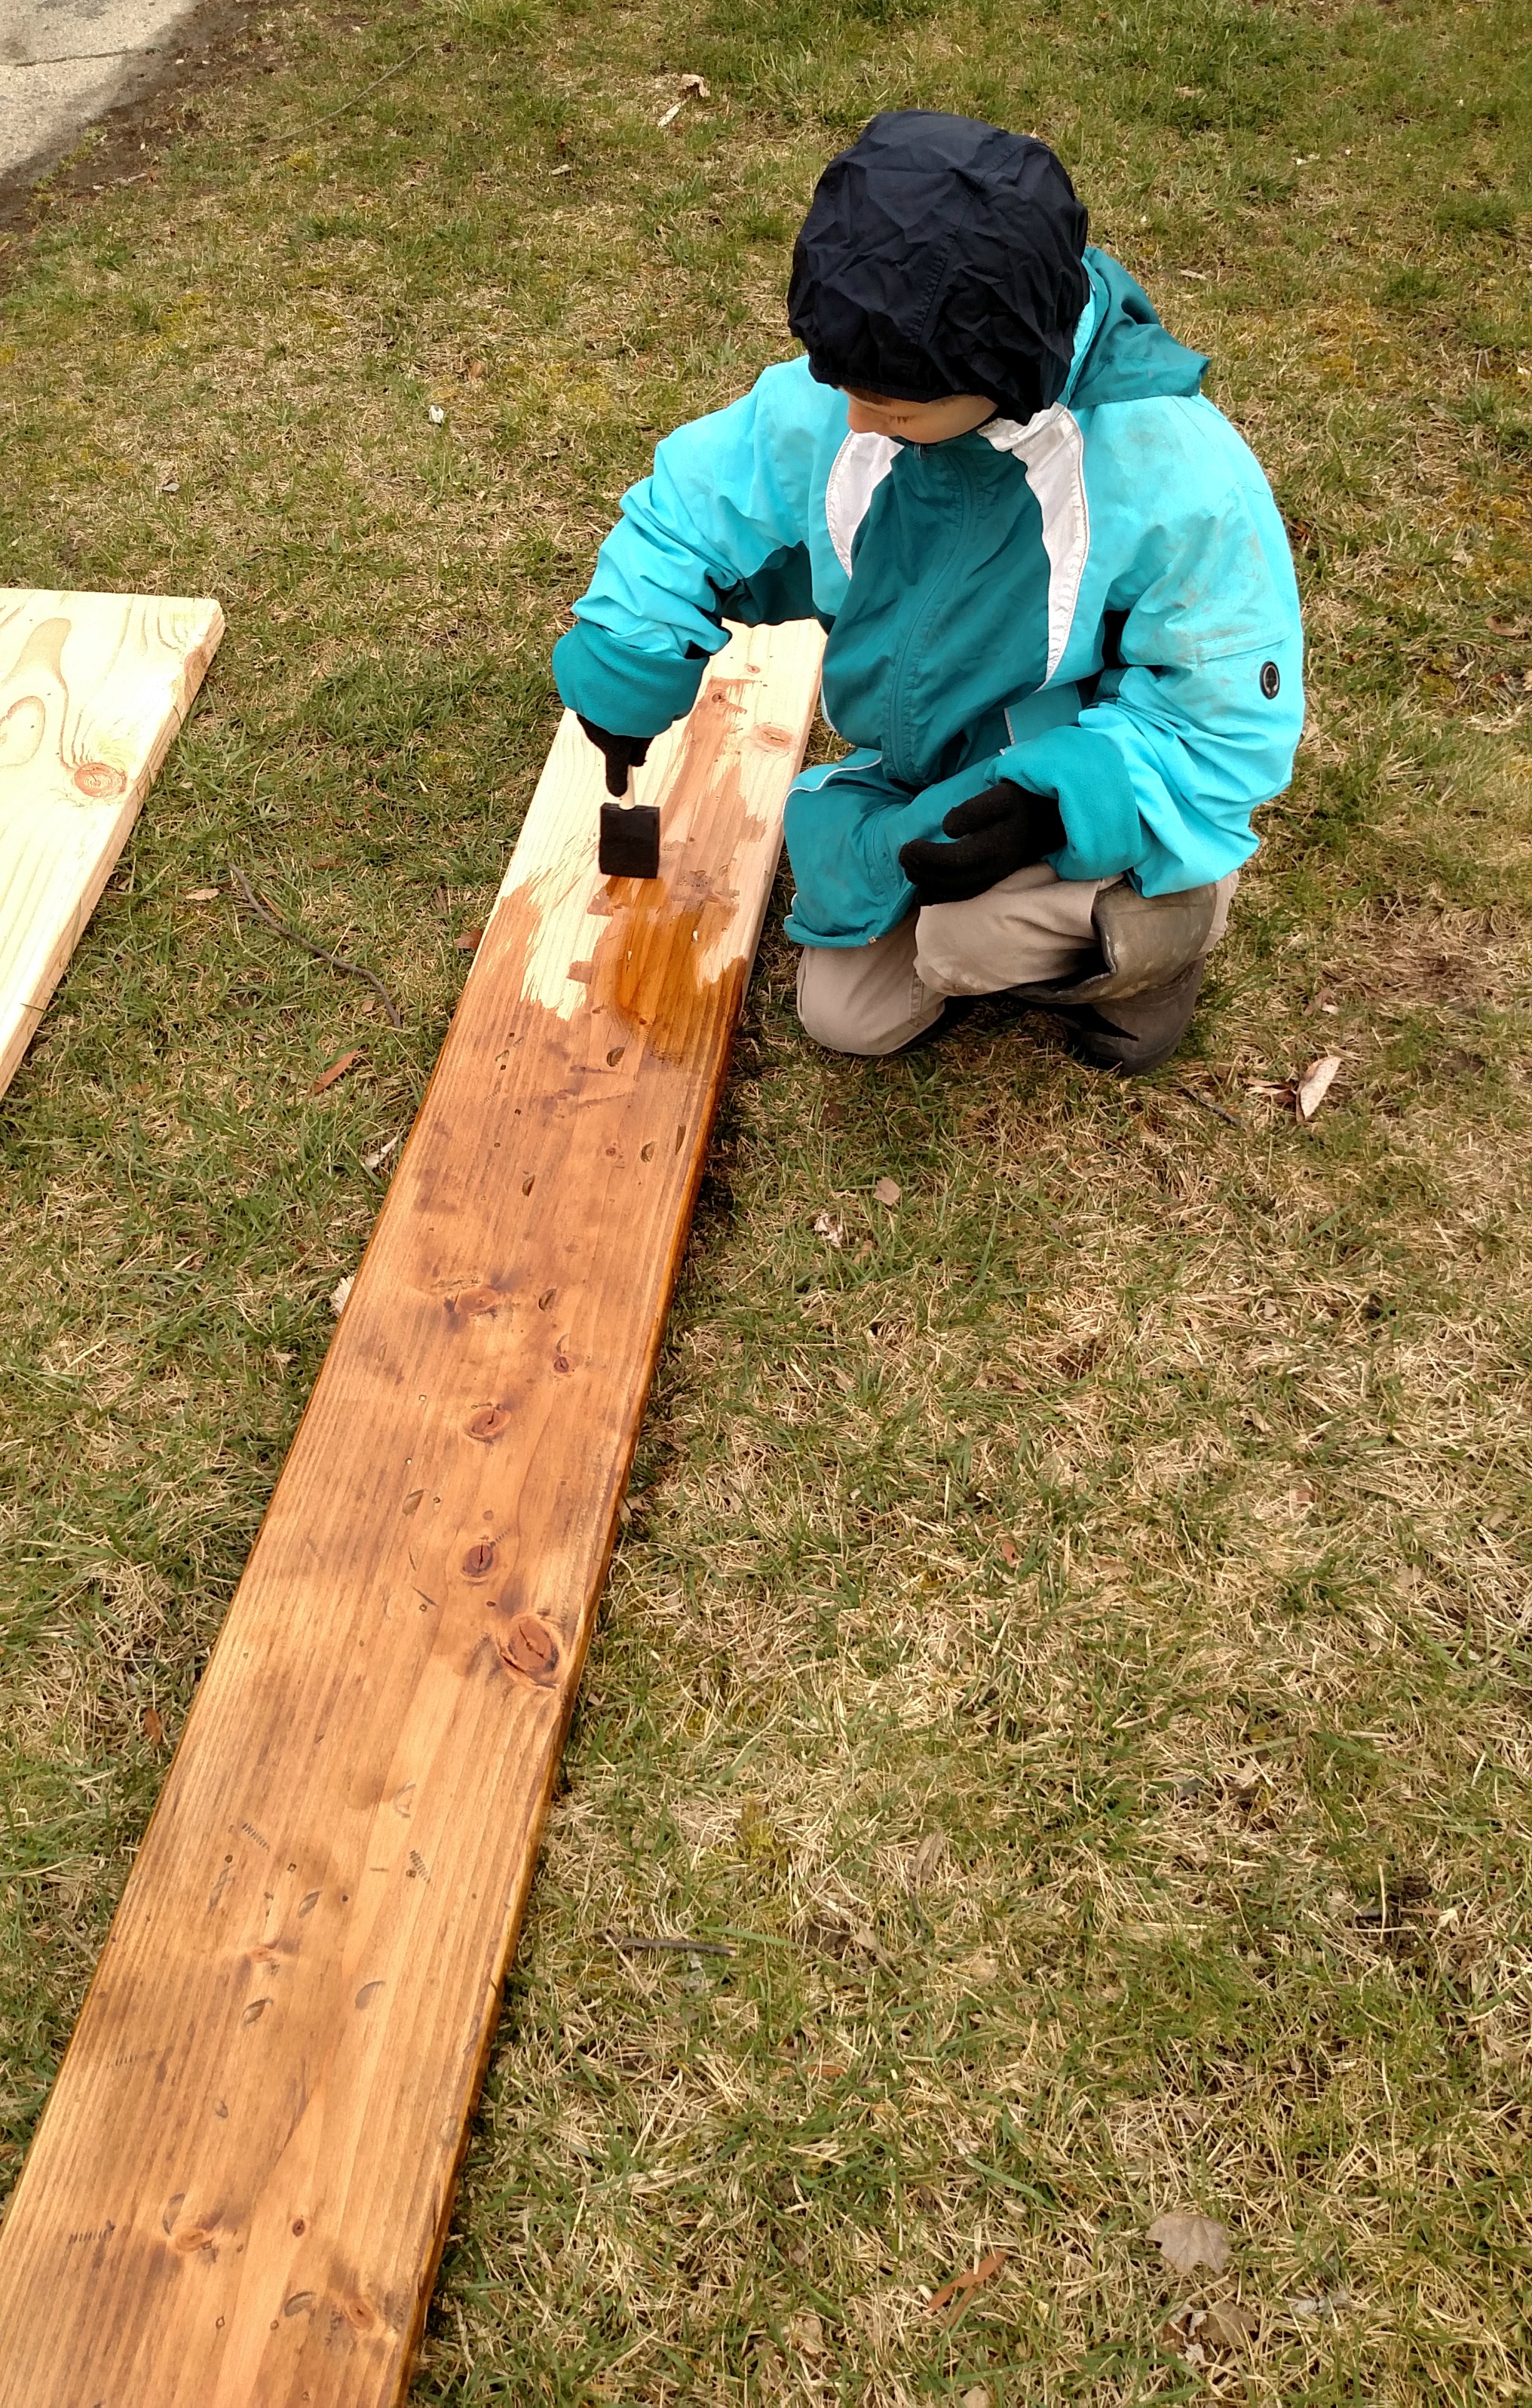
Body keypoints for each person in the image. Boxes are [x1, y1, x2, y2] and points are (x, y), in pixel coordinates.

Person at [553, 110, 1304, 1072]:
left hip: (1069, 772)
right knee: (848, 1019)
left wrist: (1055, 807)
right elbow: (692, 512)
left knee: (964, 943)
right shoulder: (859, 392)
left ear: (1001, 374)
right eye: (844, 384)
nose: (857, 418)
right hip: (920, 771)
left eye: (896, 407)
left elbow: (1223, 724)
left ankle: (1162, 926)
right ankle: (1019, 907)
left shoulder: (1173, 474)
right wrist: (632, 650)